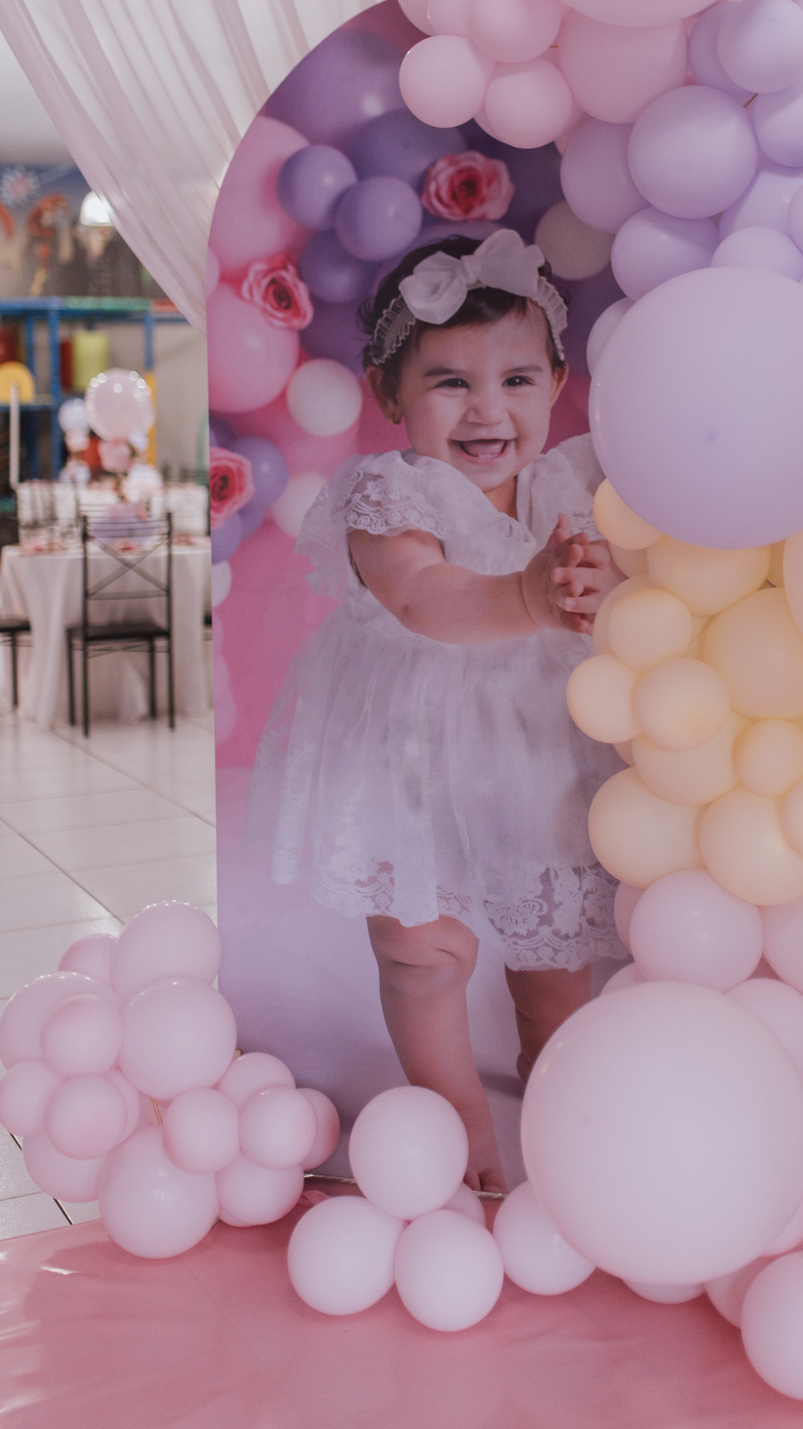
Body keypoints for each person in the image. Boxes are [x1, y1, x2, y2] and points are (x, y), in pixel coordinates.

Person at [248, 228, 624, 1192]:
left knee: (554, 967)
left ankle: (567, 1141)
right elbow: (424, 596)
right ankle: (464, 1150)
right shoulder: (389, 492)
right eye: (450, 382)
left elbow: (627, 577)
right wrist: (531, 600)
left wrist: (601, 577)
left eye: (516, 380)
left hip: (543, 754)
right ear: (390, 397)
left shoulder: (576, 485)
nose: (487, 410)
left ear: (555, 380)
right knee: (423, 955)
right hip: (412, 755)